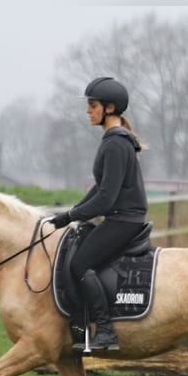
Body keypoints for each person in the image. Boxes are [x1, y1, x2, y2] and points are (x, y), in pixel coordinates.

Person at [48, 77, 148, 351]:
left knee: (79, 265)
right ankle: (81, 328)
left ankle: (105, 331)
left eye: (92, 106)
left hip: (123, 219)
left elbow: (106, 198)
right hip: (121, 216)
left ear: (109, 108)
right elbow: (98, 189)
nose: (88, 111)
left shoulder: (115, 143)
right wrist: (71, 213)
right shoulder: (113, 140)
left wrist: (70, 217)